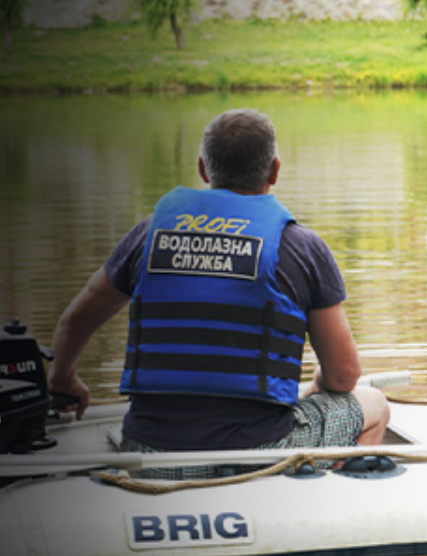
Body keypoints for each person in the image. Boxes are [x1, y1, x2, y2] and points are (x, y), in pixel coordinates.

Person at [48, 108, 389, 476]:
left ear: (203, 169)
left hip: (148, 450)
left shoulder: (148, 235)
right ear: (274, 171)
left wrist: (63, 378)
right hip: (257, 452)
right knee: (374, 403)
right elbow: (342, 377)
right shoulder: (301, 246)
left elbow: (75, 320)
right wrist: (315, 387)